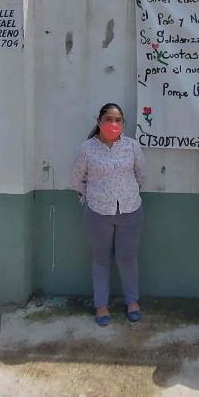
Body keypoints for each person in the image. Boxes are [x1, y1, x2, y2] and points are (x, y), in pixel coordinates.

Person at [72, 103, 147, 326]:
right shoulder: (87, 149)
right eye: (109, 119)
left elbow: (141, 175)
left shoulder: (132, 147)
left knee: (128, 258)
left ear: (123, 123)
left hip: (130, 210)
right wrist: (90, 199)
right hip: (98, 212)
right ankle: (101, 305)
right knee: (101, 260)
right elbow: (77, 179)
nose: (113, 124)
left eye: (118, 120)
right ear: (99, 122)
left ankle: (132, 301)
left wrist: (127, 194)